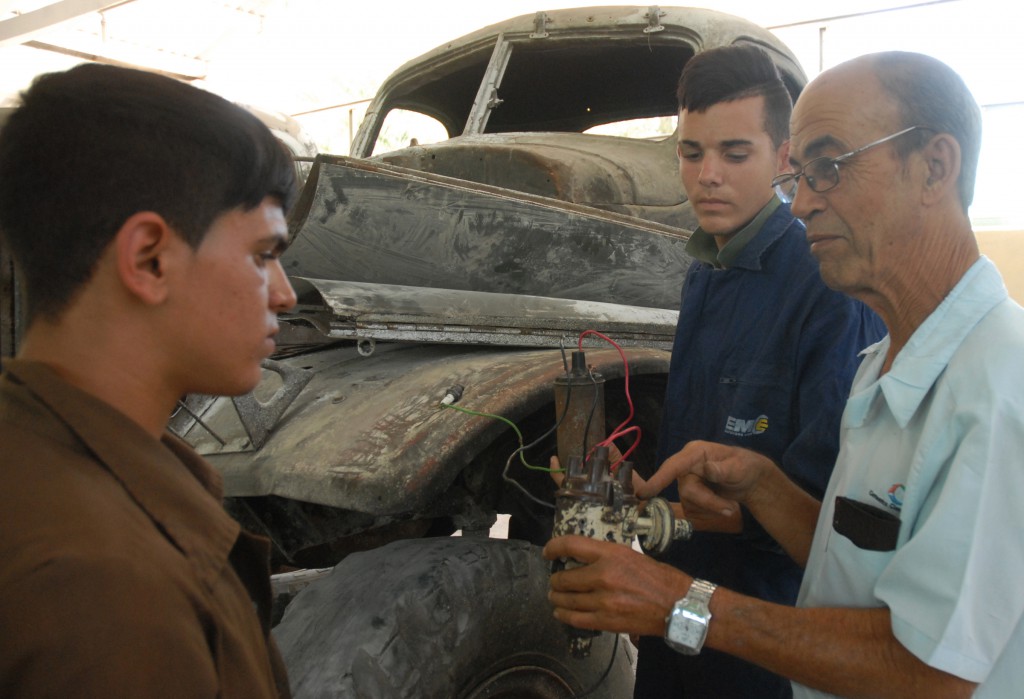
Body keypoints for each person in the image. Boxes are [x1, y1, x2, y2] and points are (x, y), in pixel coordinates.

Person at [545, 50, 1023, 697]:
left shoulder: (998, 388)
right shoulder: (883, 365)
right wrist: (764, 485)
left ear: (934, 167)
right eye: (803, 174)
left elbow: (929, 672)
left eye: (828, 167)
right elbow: (850, 562)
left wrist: (679, 603)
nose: (798, 206)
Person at [0, 63, 298, 697]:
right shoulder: (106, 592)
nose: (286, 295)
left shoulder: (34, 461)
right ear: (149, 259)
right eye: (264, 255)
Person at [633, 44, 884, 698]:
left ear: (783, 159)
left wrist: (727, 514)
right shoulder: (704, 271)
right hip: (673, 613)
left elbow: (835, 505)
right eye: (692, 153)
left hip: (764, 637)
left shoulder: (824, 280)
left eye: (734, 153)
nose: (707, 175)